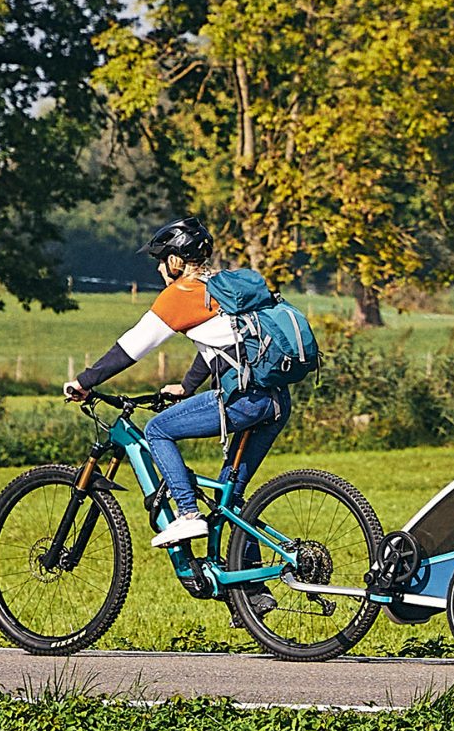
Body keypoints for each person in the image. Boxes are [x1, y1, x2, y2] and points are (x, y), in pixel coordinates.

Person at [64, 217, 292, 549]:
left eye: (161, 260)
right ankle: (252, 594)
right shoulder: (222, 289)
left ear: (175, 260)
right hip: (276, 400)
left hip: (245, 399)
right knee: (231, 500)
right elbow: (221, 345)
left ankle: (188, 514)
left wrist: (84, 381)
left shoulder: (182, 294)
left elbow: (133, 346)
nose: (158, 270)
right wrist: (187, 386)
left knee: (157, 429)